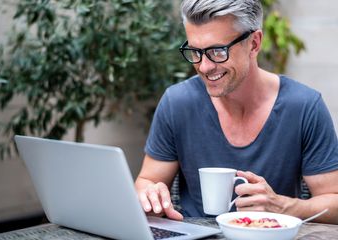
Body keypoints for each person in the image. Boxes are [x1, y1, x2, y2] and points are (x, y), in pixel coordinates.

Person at [135, 0, 338, 224]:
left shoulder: (304, 106)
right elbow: (147, 180)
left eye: (217, 51)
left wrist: (284, 206)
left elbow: (334, 201)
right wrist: (150, 196)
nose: (204, 67)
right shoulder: (177, 102)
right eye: (195, 52)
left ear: (254, 43)